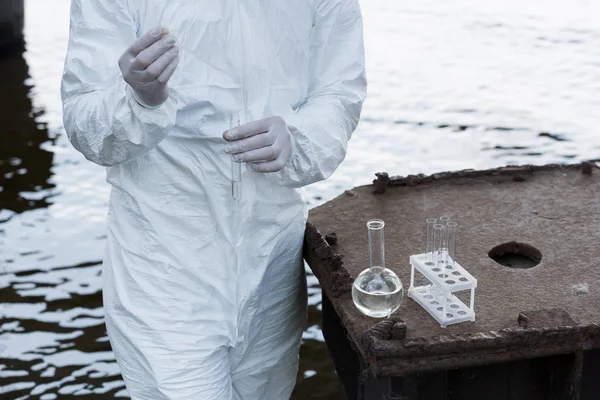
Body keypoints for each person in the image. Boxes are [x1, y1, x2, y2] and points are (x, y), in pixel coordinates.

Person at [61, 0, 366, 398]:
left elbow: (339, 93)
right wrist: (140, 98)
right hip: (166, 263)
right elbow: (83, 117)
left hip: (271, 257)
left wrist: (298, 136)